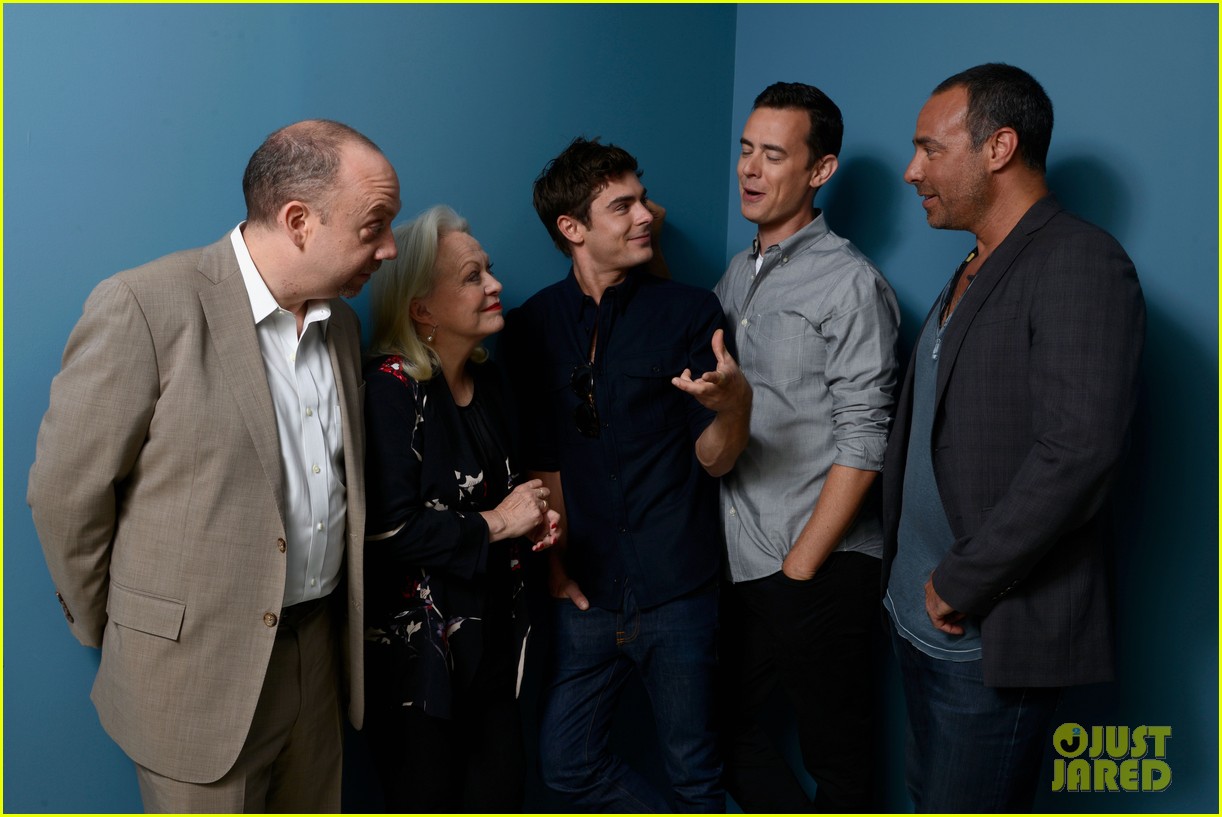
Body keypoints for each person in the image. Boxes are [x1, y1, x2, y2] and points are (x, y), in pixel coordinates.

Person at [27, 119, 400, 812]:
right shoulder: (146, 305)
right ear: (298, 221)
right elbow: (63, 495)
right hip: (191, 675)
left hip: (318, 658)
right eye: (374, 224)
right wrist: (121, 626)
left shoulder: (343, 327)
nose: (390, 247)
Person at [882, 63, 1146, 812]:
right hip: (916, 622)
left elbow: (1080, 450)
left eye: (930, 150)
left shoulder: (1079, 260)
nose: (912, 171)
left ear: (998, 147)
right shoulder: (975, 262)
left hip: (988, 638)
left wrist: (958, 584)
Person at [500, 137, 752, 812]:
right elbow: (542, 455)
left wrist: (734, 408)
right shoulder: (533, 326)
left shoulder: (690, 312)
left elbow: (716, 458)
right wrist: (554, 568)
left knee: (697, 776)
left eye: (642, 197)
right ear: (572, 229)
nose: (648, 214)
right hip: (585, 594)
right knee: (566, 764)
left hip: (678, 589)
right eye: (624, 205)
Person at [713, 81, 899, 812]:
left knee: (841, 763)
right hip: (742, 558)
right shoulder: (735, 273)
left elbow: (866, 433)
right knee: (718, 730)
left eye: (774, 155)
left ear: (819, 171)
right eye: (745, 151)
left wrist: (801, 565)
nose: (750, 170)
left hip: (817, 562)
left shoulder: (851, 283)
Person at [360, 205, 560, 810]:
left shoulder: (489, 382)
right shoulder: (390, 390)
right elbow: (388, 531)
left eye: (488, 270)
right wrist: (500, 523)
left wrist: (533, 522)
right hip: (421, 673)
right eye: (473, 276)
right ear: (422, 308)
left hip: (496, 654)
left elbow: (505, 498)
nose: (495, 285)